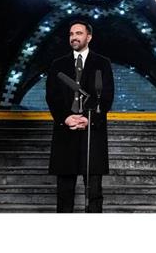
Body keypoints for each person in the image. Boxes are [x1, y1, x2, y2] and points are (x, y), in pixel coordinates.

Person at [45, 20, 115, 213]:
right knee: (64, 192)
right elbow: (52, 96)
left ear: (89, 37)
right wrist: (65, 117)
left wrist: (88, 119)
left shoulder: (103, 63)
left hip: (93, 132)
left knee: (94, 192)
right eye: (71, 34)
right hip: (65, 131)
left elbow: (106, 95)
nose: (74, 37)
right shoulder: (57, 65)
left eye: (78, 33)